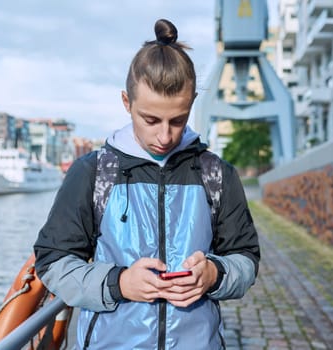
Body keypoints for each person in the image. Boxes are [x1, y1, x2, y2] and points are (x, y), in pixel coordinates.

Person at [34, 18, 260, 350]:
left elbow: (245, 259)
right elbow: (52, 263)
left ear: (192, 103)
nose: (165, 136)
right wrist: (120, 282)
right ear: (127, 103)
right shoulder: (92, 172)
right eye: (151, 120)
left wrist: (214, 274)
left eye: (178, 120)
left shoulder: (218, 174)